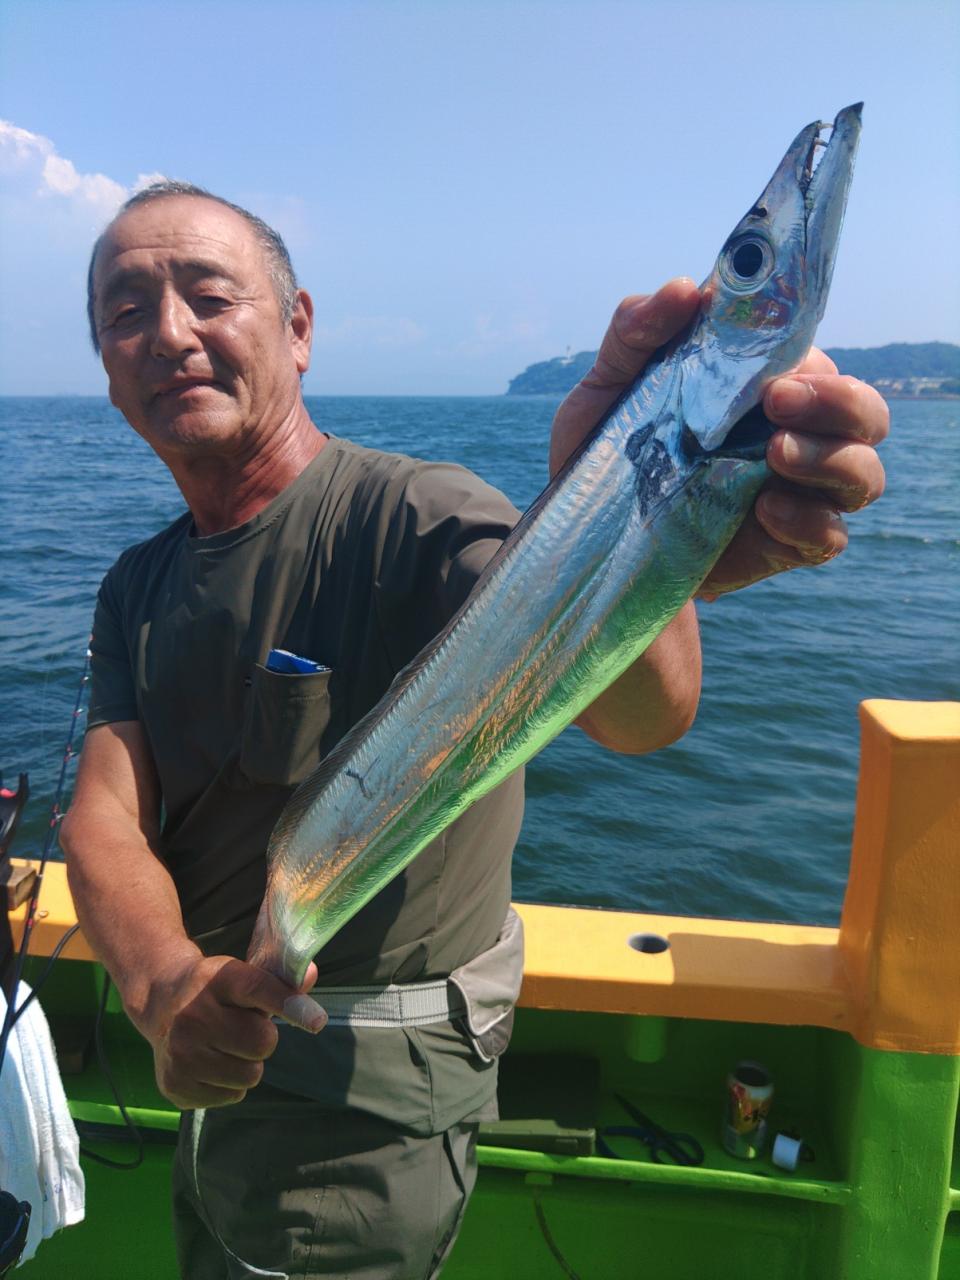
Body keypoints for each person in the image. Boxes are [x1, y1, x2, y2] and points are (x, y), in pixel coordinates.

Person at [61, 183, 887, 1279]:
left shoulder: (421, 515)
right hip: (210, 1084)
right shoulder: (138, 582)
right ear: (106, 366)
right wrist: (166, 985)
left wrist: (646, 524)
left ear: (299, 328)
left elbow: (643, 714)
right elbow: (104, 812)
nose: (169, 333)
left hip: (356, 1126)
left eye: (209, 297)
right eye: (126, 314)